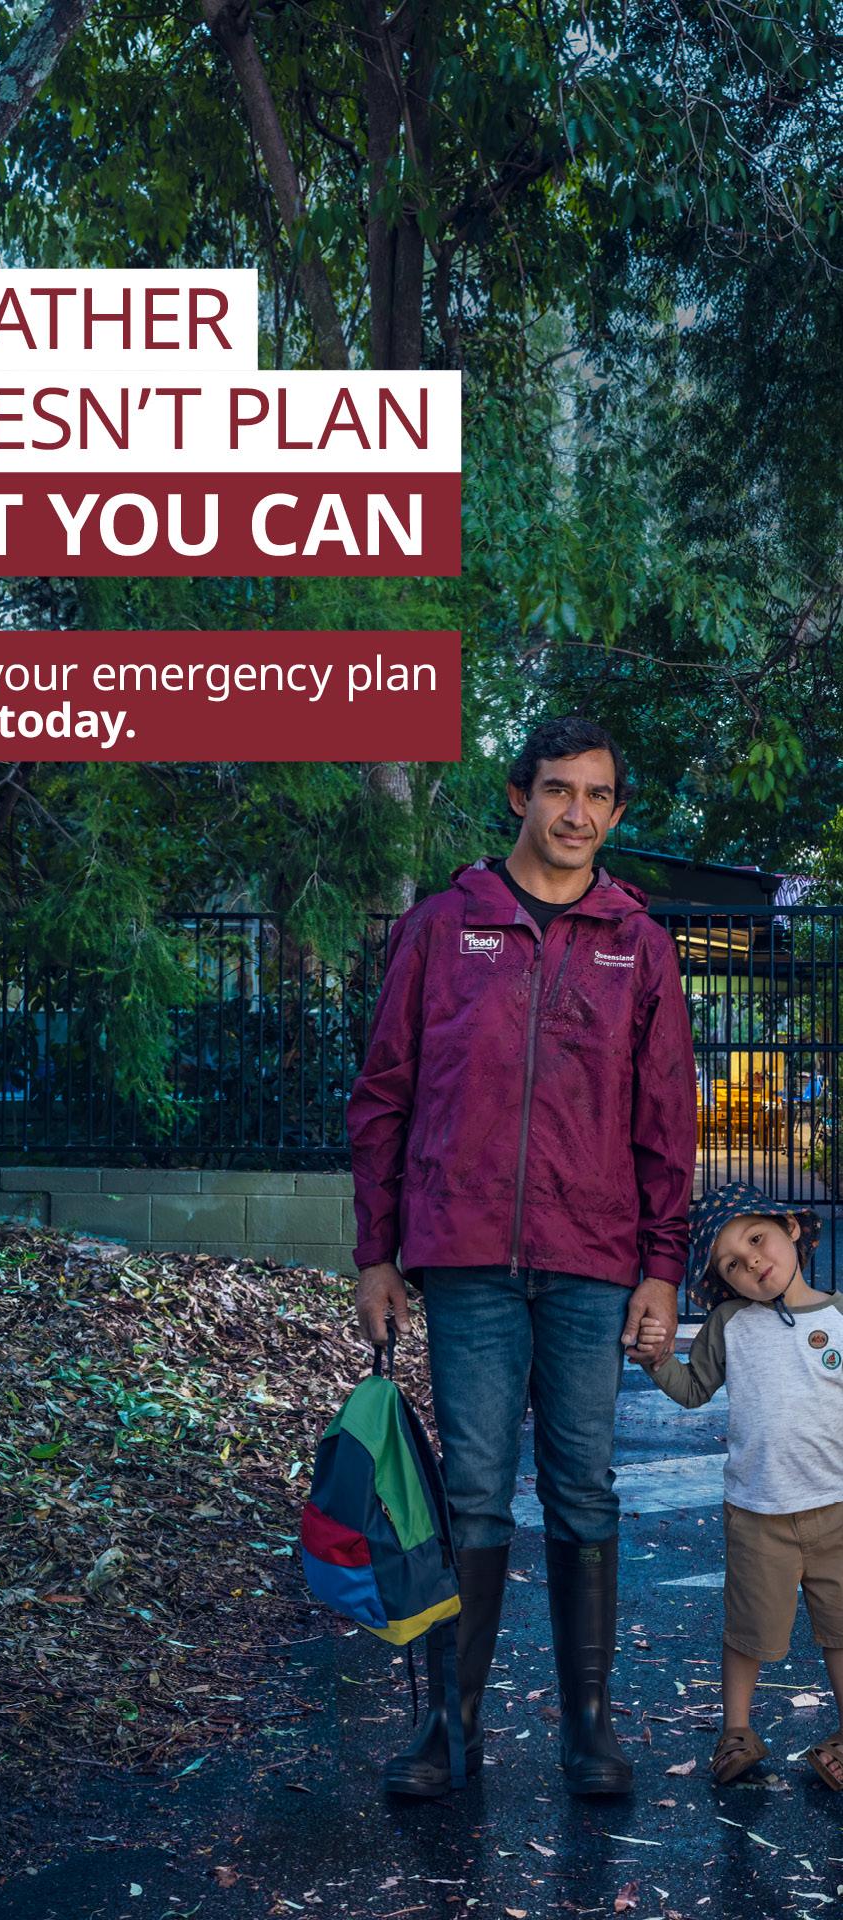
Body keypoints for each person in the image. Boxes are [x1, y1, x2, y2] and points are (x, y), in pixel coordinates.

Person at [347, 715, 698, 1800]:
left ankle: (589, 1732)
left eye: (597, 795)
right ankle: (449, 1732)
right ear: (518, 797)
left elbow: (666, 1119)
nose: (576, 814)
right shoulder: (444, 928)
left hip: (593, 1261)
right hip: (465, 1263)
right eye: (557, 790)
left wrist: (660, 1267)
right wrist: (375, 1254)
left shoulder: (636, 943)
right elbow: (386, 1095)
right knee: (480, 1498)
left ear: (617, 810)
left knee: (586, 1492)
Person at [631, 1179, 843, 1791]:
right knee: (747, 1630)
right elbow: (694, 1389)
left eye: (757, 1238)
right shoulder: (730, 1324)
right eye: (732, 1262)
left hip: (836, 1510)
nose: (752, 1261)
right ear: (724, 1281)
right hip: (757, 1511)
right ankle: (738, 1732)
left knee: (841, 1629)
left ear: (793, 1230)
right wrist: (657, 1361)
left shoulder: (837, 1315)